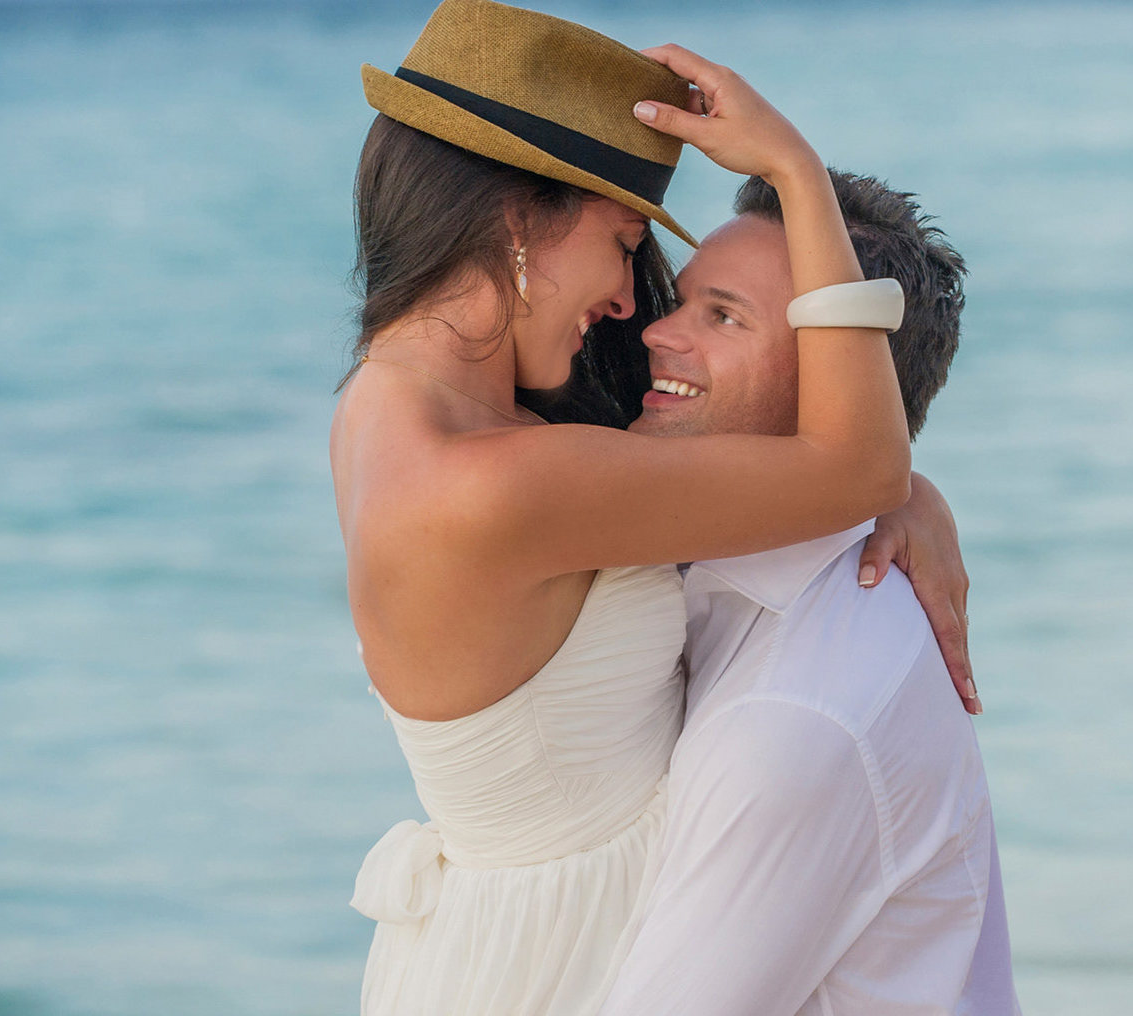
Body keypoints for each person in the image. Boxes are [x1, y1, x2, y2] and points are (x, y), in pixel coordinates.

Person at [333, 2, 970, 1013]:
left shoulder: (396, 406)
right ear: (519, 223)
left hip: (508, 941)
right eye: (626, 241)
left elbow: (813, 464)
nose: (633, 301)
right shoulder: (498, 483)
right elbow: (858, 465)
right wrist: (794, 171)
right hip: (551, 967)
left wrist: (901, 493)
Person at [596, 172, 1018, 1014]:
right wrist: (905, 488)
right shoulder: (692, 572)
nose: (657, 332)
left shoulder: (794, 720)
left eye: (724, 317)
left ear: (841, 391)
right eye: (681, 302)